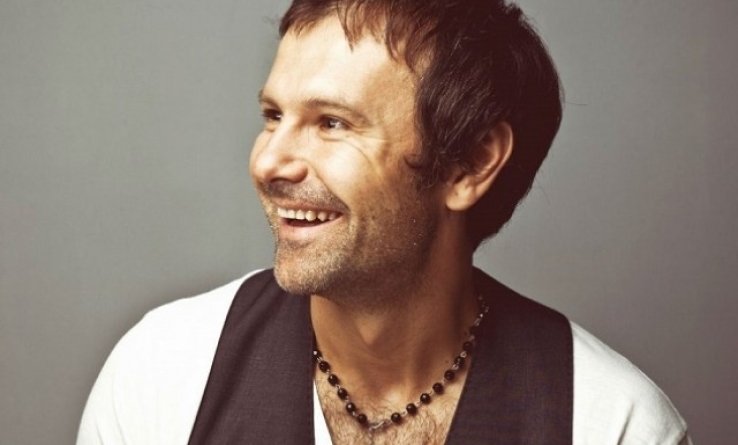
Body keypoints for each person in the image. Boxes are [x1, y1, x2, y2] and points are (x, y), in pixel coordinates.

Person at [78, 1, 692, 444]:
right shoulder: (162, 373)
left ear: (470, 163)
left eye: (332, 123)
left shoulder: (612, 424)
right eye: (273, 116)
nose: (267, 163)